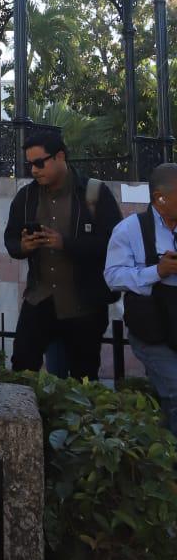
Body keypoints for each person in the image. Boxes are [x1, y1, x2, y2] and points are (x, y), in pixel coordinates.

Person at [4, 127, 121, 381]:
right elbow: (11, 240)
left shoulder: (94, 193)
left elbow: (114, 245)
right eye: (29, 165)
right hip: (39, 299)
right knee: (22, 370)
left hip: (84, 304)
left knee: (84, 378)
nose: (34, 170)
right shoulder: (26, 197)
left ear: (59, 157)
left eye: (38, 163)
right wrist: (24, 246)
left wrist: (65, 244)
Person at [105, 163, 177, 436]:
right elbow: (113, 277)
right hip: (152, 329)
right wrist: (157, 271)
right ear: (160, 197)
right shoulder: (130, 230)